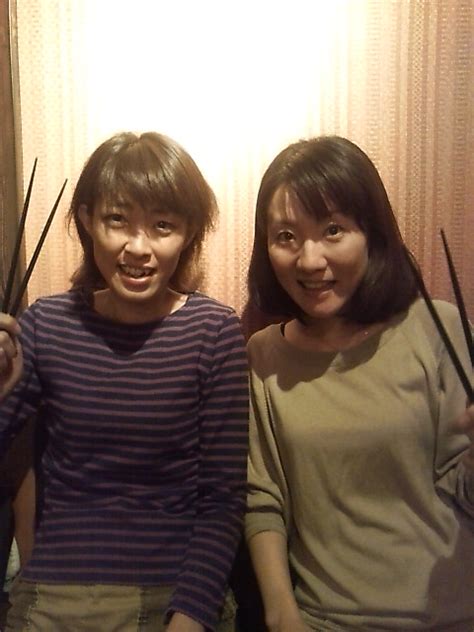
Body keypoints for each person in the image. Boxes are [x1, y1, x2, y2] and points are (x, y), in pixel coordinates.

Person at [0, 131, 249, 632]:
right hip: (54, 593)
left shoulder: (214, 332)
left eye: (162, 225)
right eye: (117, 220)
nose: (138, 248)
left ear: (189, 232)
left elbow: (223, 499)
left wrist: (190, 616)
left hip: (171, 591)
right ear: (87, 219)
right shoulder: (46, 324)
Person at [245, 135, 474, 631]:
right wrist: (282, 616)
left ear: (370, 232)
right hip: (325, 620)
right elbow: (263, 501)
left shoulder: (438, 328)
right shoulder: (263, 356)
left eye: (333, 230)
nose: (309, 260)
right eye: (286, 236)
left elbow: (463, 489)